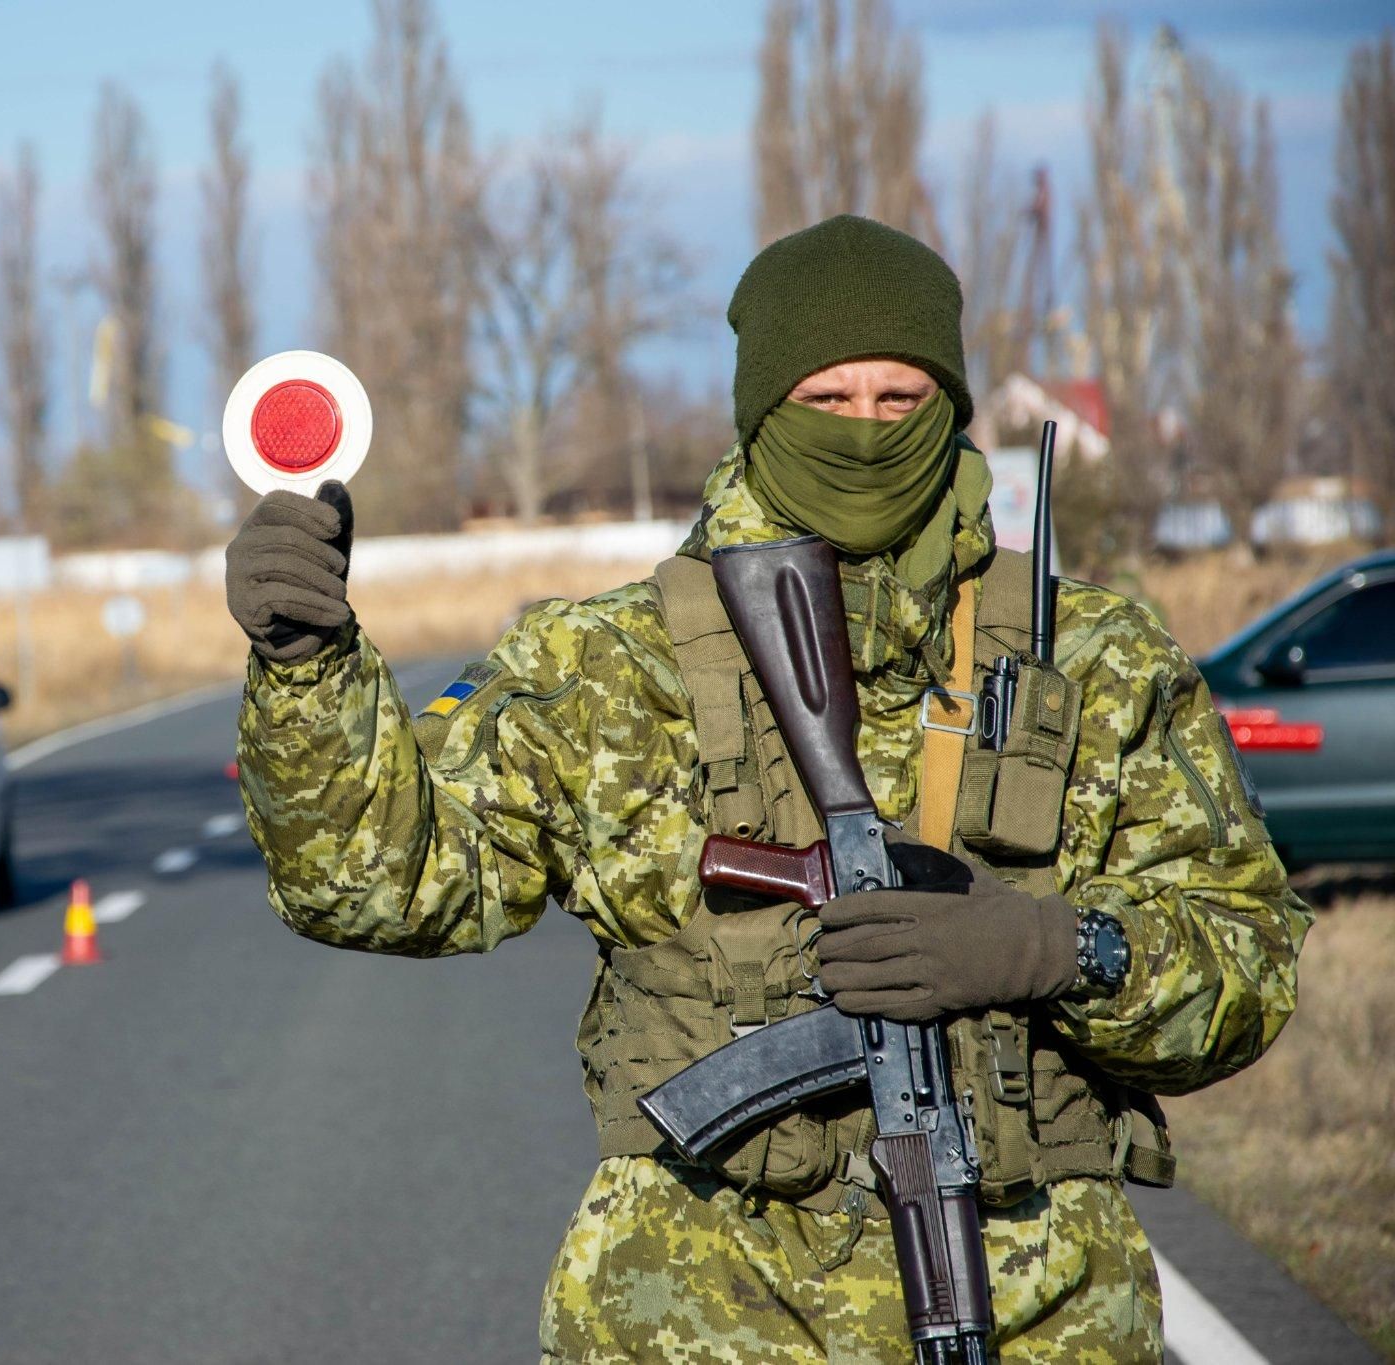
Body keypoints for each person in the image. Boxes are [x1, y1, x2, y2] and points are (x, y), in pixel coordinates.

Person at [223, 213, 1309, 1364]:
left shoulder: (1091, 657)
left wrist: (1058, 952)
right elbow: (380, 885)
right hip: (688, 1316)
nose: (864, 432)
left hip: (1043, 1309)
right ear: (757, 413)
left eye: (899, 400)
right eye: (825, 401)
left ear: (952, 409)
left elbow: (1245, 966)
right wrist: (308, 669)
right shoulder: (609, 664)